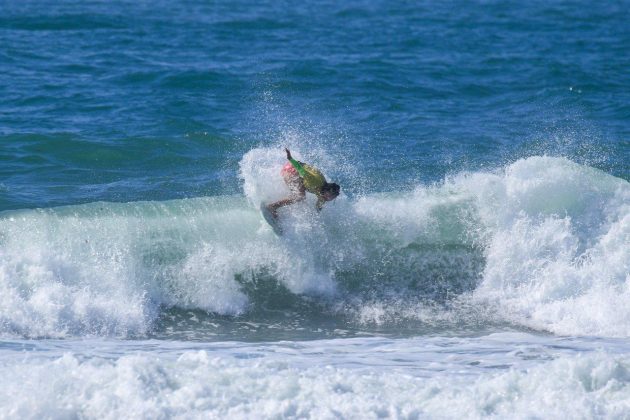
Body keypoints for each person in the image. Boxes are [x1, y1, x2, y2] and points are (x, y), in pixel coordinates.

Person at [266, 148, 340, 218]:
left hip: (299, 176)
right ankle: (273, 206)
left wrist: (315, 217)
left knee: (301, 197)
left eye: (332, 198)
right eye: (329, 196)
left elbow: (318, 208)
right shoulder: (315, 181)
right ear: (327, 190)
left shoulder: (323, 197)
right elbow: (300, 169)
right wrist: (290, 158)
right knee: (300, 197)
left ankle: (277, 205)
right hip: (291, 168)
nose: (329, 199)